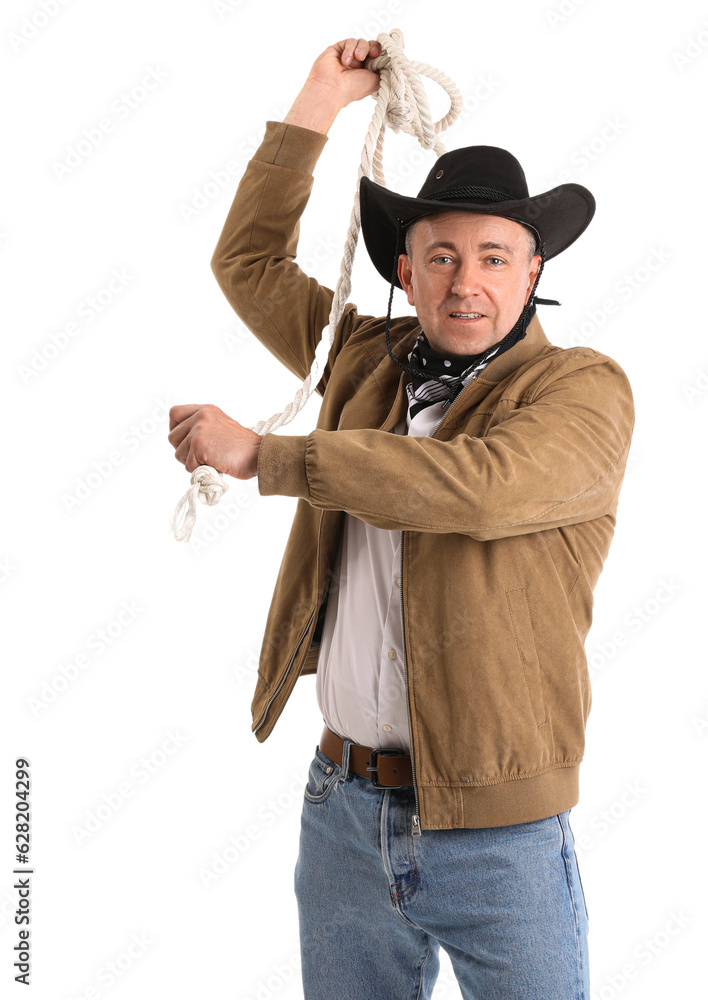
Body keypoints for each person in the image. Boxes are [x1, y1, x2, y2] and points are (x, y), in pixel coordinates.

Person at [168, 36, 635, 1000]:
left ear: (532, 266)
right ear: (406, 270)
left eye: (494, 256)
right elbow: (248, 261)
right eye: (442, 257)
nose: (468, 280)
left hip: (501, 834)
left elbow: (477, 485)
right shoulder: (363, 356)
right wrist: (319, 100)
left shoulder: (581, 390)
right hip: (340, 813)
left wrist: (272, 456)